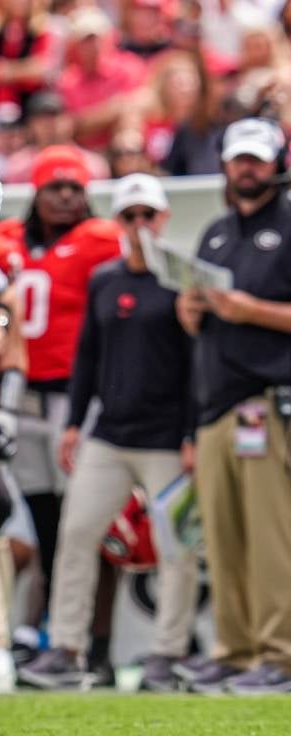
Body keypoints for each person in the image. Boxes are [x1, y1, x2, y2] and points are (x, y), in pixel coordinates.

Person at [19, 173, 198, 691]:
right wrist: (75, 423)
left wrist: (192, 434)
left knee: (176, 548)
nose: (140, 225)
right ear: (117, 222)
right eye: (130, 216)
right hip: (110, 434)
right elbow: (88, 356)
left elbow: (197, 365)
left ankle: (167, 653)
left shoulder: (183, 280)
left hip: (167, 438)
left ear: (163, 219)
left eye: (148, 215)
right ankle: (66, 648)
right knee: (76, 535)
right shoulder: (105, 278)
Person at [0, 145, 123, 662]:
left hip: (74, 395)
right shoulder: (9, 242)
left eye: (75, 189)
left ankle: (96, 639)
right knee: (43, 515)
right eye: (55, 188)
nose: (66, 198)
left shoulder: (100, 240)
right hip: (22, 395)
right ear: (36, 194)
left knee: (85, 518)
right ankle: (45, 632)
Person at [175, 118, 291, 694]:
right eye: (239, 158)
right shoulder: (216, 232)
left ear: (277, 163)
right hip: (216, 403)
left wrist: (254, 311)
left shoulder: (290, 225)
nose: (248, 168)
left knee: (272, 537)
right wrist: (194, 313)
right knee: (221, 538)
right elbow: (209, 319)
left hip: (267, 403)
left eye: (258, 159)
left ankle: (280, 656)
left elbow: (261, 313)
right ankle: (236, 650)